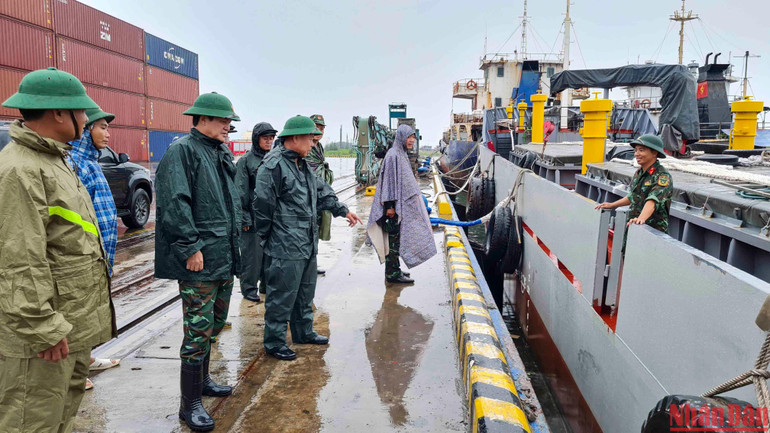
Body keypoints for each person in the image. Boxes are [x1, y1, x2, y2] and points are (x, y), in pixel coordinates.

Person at [0, 67, 116, 432]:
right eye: (81, 111)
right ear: (59, 113)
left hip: (70, 324)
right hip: (44, 335)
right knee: (31, 421)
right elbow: (19, 260)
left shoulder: (55, 160)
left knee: (59, 417)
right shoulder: (20, 170)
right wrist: (42, 328)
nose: (85, 118)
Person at [154, 92, 241, 432]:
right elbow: (175, 203)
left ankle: (203, 381)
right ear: (202, 119)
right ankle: (188, 404)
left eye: (229, 121)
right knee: (197, 331)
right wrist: (190, 247)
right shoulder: (183, 151)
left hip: (222, 256)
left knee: (214, 324)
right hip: (200, 260)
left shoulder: (219, 152)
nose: (228, 126)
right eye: (223, 120)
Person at [253, 115, 362, 361]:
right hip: (284, 244)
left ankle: (303, 332)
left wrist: (343, 210)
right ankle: (274, 342)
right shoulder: (273, 166)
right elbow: (262, 207)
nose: (313, 144)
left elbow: (321, 191)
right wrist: (270, 237)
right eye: (310, 139)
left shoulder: (302, 165)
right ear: (294, 138)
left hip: (306, 241)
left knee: (305, 291)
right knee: (282, 295)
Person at [68, 108, 123, 391]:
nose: (108, 134)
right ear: (86, 129)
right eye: (102, 127)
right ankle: (72, 373)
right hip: (83, 257)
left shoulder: (89, 162)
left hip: (100, 255)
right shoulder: (73, 163)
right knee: (76, 313)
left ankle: (85, 359)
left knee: (90, 312)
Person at [367, 124, 437, 284]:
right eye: (408, 137)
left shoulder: (401, 154)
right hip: (392, 207)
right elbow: (389, 183)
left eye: (413, 137)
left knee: (397, 240)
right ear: (401, 137)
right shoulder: (393, 155)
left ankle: (395, 269)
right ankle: (392, 274)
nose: (411, 140)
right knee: (393, 241)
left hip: (400, 206)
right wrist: (390, 206)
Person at [595, 134, 673, 233]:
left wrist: (641, 219)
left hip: (652, 231)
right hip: (634, 225)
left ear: (654, 152)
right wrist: (612, 205)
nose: (636, 154)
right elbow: (633, 196)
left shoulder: (662, 176)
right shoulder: (639, 172)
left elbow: (653, 200)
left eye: (641, 150)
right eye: (635, 150)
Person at [235, 122, 277, 302]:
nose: (269, 141)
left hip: (271, 217)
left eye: (271, 138)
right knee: (252, 256)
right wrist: (245, 218)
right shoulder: (245, 161)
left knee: (270, 255)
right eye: (265, 137)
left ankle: (266, 285)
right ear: (256, 139)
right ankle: (249, 288)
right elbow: (240, 192)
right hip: (252, 218)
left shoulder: (275, 159)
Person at [306, 114, 333, 275]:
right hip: (308, 196)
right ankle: (307, 265)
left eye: (322, 128)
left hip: (319, 195)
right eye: (317, 127)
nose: (319, 131)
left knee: (316, 230)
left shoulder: (319, 147)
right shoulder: (306, 148)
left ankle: (312, 263)